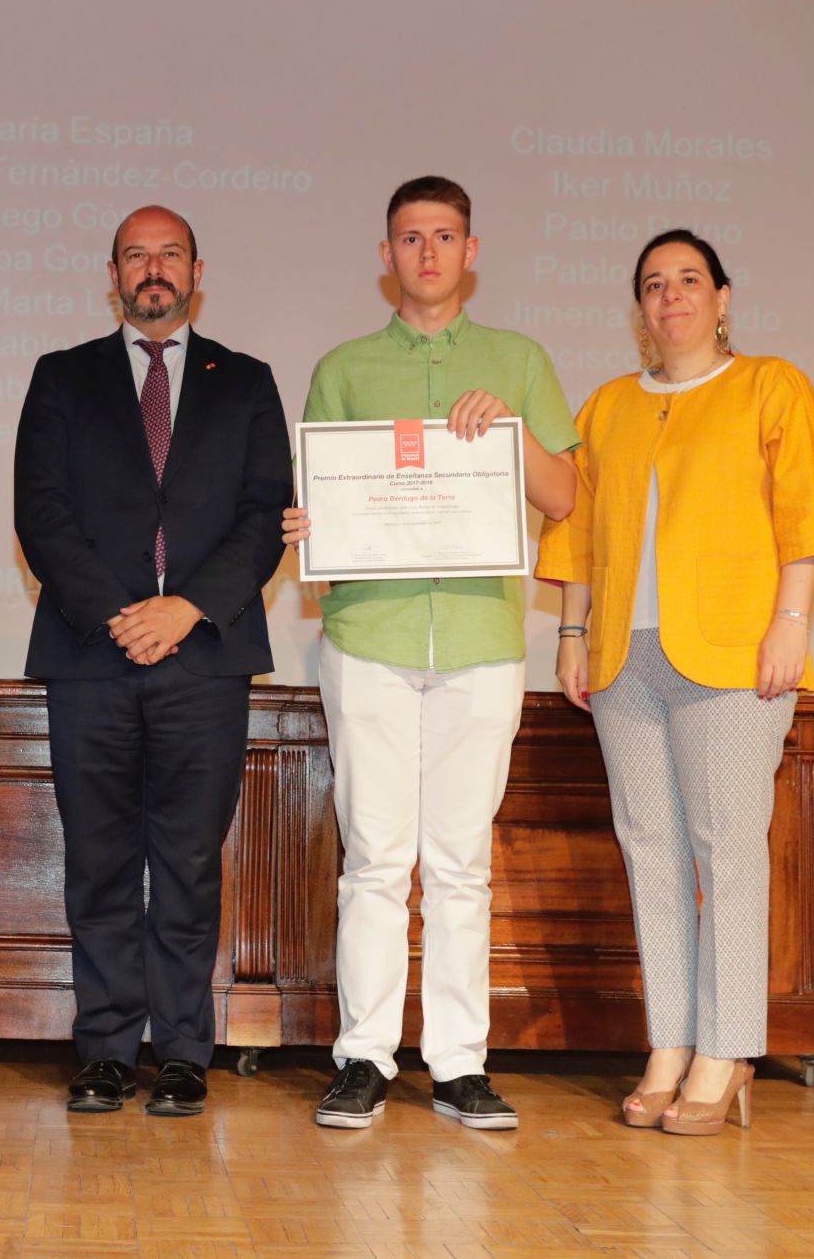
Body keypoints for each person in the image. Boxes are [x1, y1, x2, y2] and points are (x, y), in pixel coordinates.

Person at [536, 228, 814, 1135]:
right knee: (652, 851)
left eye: (687, 280)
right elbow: (579, 537)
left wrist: (790, 620)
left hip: (736, 653)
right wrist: (569, 632)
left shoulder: (770, 385)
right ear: (639, 309)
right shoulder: (606, 406)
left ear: (722, 297)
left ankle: (729, 1047)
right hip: (623, 657)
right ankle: (670, 1040)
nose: (669, 296)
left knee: (728, 848)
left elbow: (807, 510)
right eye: (652, 284)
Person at [282, 176, 579, 1132]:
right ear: (386, 256)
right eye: (409, 238)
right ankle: (363, 1055)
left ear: (472, 248)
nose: (427, 254)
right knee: (374, 856)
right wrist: (306, 527)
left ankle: (458, 1065)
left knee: (460, 863)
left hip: (483, 639)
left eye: (444, 236)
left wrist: (511, 433)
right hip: (369, 635)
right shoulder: (342, 367)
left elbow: (567, 494)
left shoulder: (519, 360)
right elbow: (319, 502)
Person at [15, 205, 292, 1117]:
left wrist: (184, 610)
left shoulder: (247, 381)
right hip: (91, 655)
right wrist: (119, 615)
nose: (153, 270)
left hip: (204, 657)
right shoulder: (61, 378)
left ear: (197, 270)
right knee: (96, 861)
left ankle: (180, 1051)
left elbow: (263, 518)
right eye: (136, 256)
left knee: (187, 862)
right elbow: (41, 514)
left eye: (169, 254)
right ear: (114, 274)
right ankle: (102, 1047)